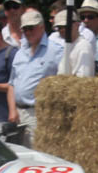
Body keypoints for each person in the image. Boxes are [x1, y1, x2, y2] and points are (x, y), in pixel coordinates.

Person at [6, 9, 63, 145]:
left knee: (37, 152)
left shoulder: (56, 51)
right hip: (18, 113)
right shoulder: (20, 52)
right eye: (25, 29)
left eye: (31, 28)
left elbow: (63, 83)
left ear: (42, 27)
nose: (28, 32)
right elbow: (11, 84)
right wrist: (12, 110)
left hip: (38, 112)